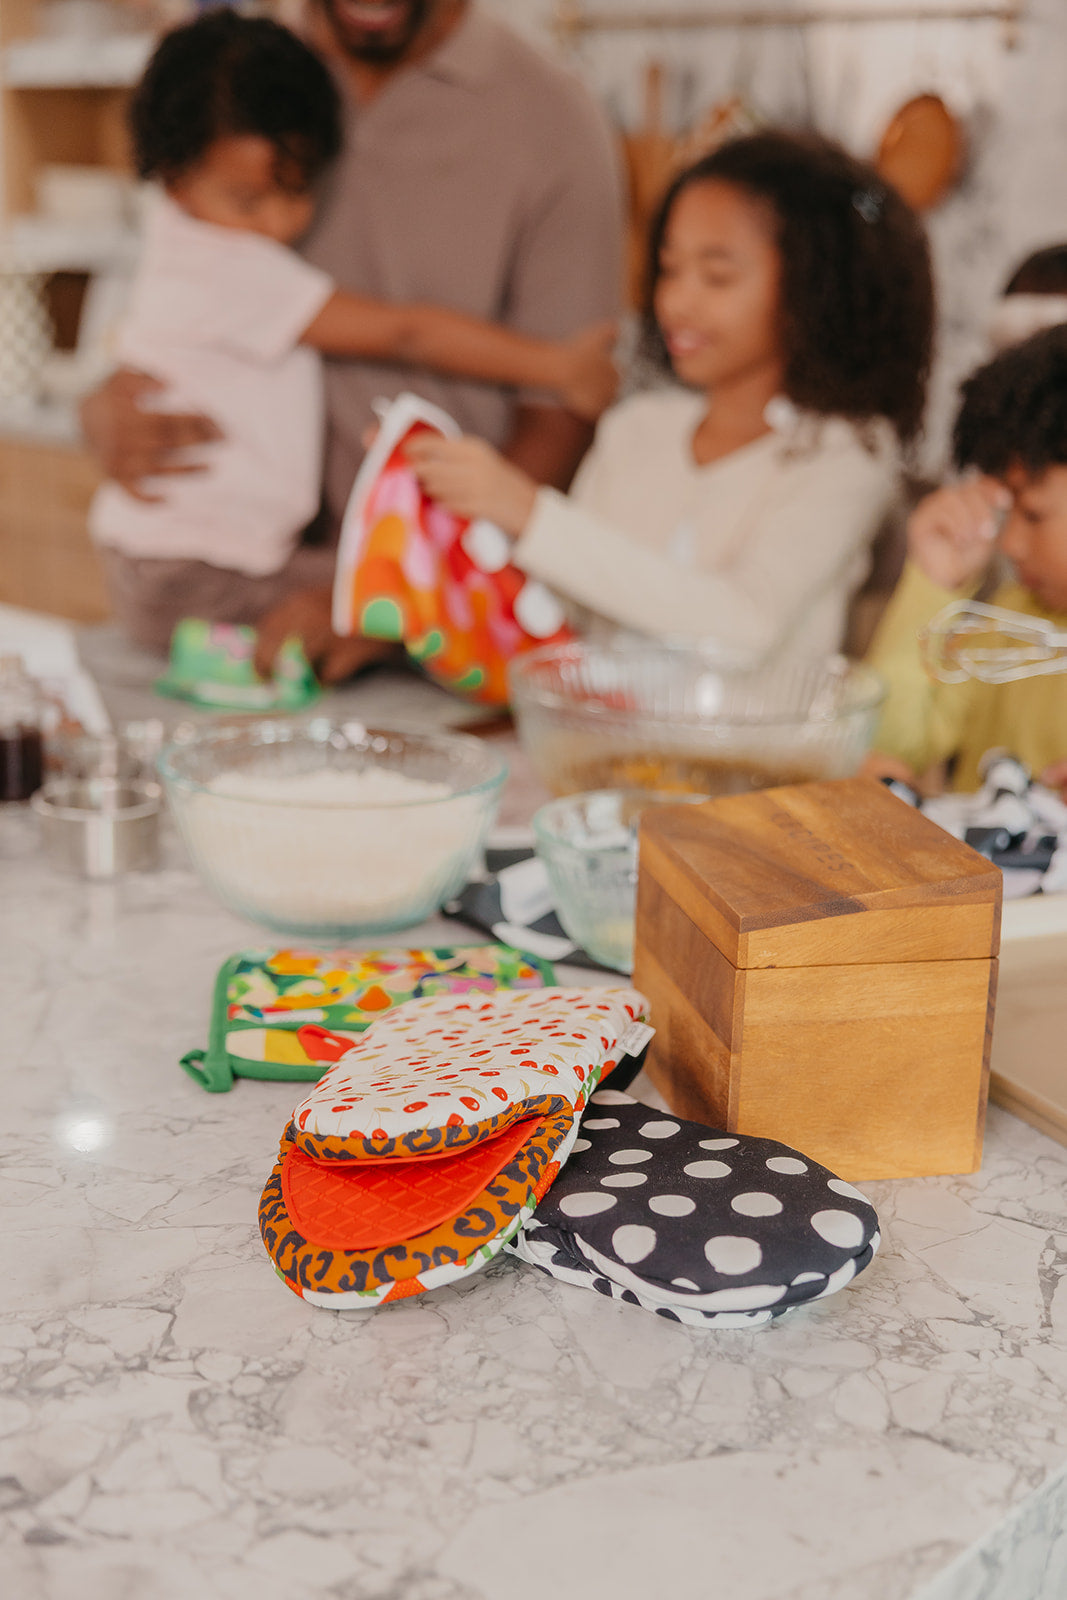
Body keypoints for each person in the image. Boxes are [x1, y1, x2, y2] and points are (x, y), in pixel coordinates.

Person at [80, 0, 623, 678]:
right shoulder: (238, 81)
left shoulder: (550, 117)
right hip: (248, 570)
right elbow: (163, 320)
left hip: (426, 604)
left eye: (294, 192)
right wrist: (99, 408)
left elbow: (559, 420)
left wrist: (396, 593)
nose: (275, 221)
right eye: (253, 202)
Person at [403, 132, 934, 670]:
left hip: (754, 756)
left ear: (812, 288)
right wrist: (430, 494)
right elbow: (555, 611)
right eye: (670, 270)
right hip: (597, 748)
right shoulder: (638, 428)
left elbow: (743, 627)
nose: (677, 301)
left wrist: (527, 510)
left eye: (717, 276)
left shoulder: (846, 456)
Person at [866, 324, 1067, 794]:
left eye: (1034, 514)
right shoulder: (1010, 624)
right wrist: (932, 581)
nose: (1010, 543)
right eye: (1005, 511)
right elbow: (886, 744)